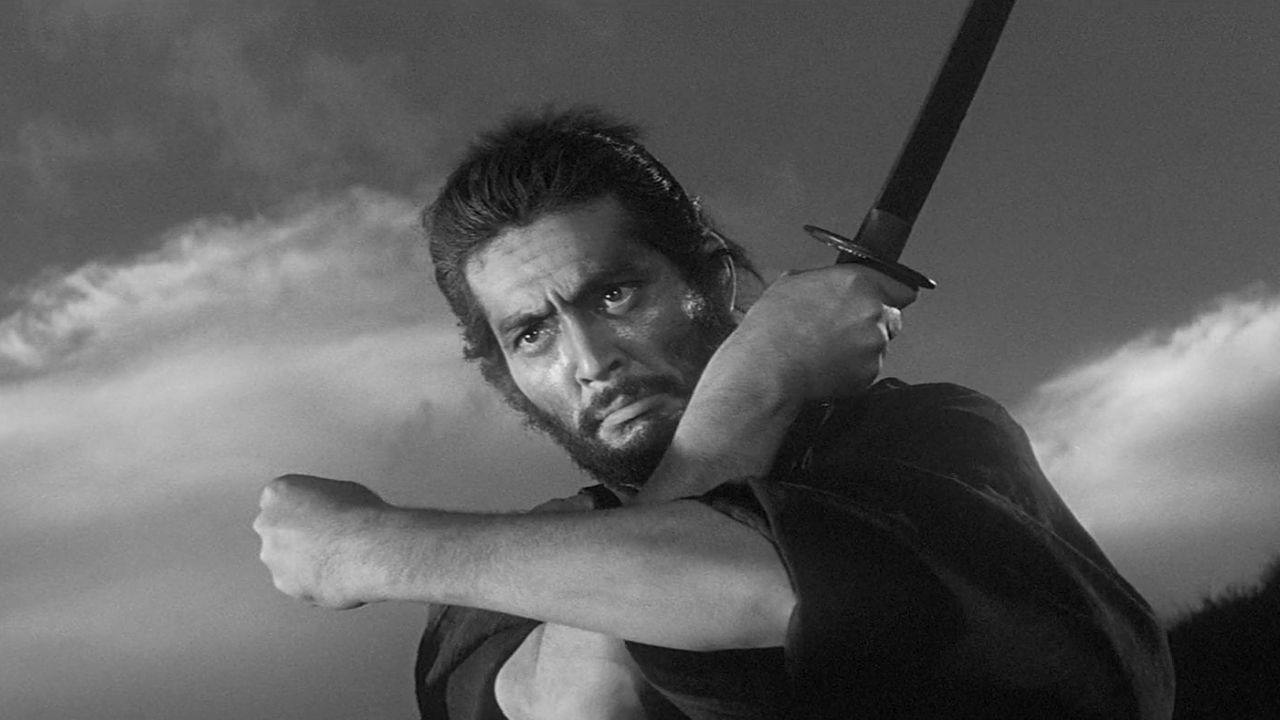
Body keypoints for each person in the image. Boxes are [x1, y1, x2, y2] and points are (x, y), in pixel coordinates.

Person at [254, 107, 1175, 719]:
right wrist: (753, 385)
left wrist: (367, 548)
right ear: (503, 376)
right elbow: (584, 703)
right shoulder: (491, 600)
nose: (590, 360)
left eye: (615, 295)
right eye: (532, 334)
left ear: (714, 281)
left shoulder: (927, 441)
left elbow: (778, 590)